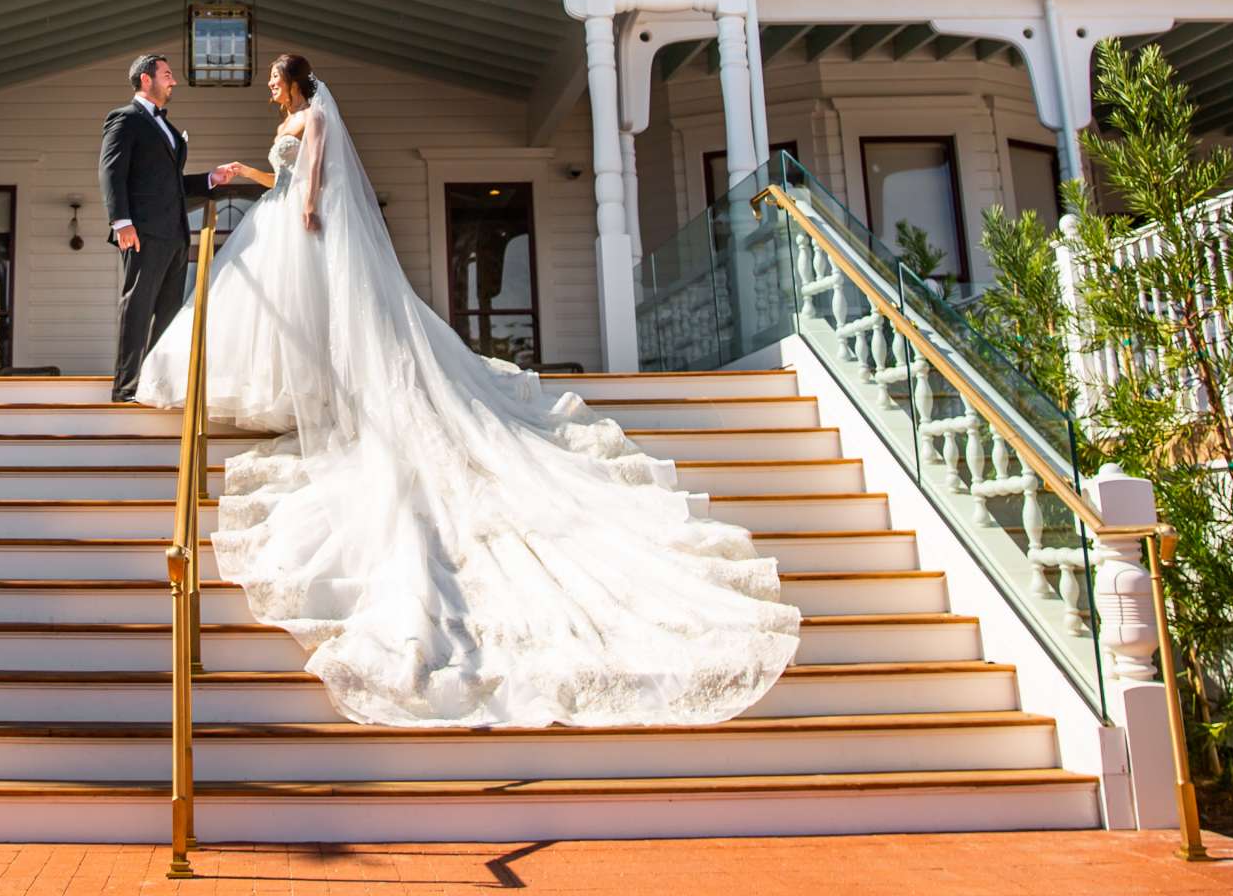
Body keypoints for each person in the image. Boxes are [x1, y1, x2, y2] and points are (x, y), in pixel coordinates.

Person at [134, 53, 801, 729]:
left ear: (296, 81)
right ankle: (286, 390)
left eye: (276, 79)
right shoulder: (290, 121)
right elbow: (280, 176)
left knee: (308, 313)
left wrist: (307, 211)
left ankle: (329, 394)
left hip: (304, 224)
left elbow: (314, 178)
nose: (271, 88)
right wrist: (238, 175)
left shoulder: (315, 115)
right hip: (278, 214)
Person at [99, 53, 236, 403]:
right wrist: (122, 222)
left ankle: (156, 385)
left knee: (169, 314)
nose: (173, 81)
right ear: (147, 80)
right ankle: (126, 388)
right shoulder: (125, 119)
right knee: (138, 308)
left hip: (176, 234)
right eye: (167, 74)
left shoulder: (168, 129)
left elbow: (171, 183)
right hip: (142, 232)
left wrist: (210, 179)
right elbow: (111, 171)